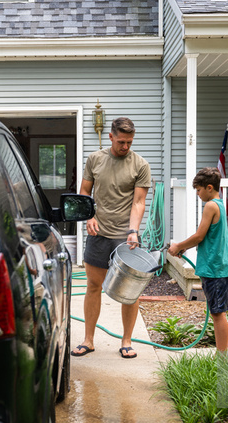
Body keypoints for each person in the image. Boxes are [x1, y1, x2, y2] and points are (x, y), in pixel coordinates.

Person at [71, 117, 151, 359]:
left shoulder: (140, 165)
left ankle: (126, 341)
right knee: (93, 286)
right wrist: (89, 216)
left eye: (129, 142)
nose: (125, 146)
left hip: (125, 238)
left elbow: (138, 202)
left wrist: (133, 231)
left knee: (130, 291)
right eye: (121, 142)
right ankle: (88, 340)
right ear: (111, 137)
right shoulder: (95, 159)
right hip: (99, 233)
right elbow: (84, 192)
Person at [168, 167, 228, 354]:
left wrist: (179, 246)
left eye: (199, 189)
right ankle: (222, 356)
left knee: (218, 314)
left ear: (209, 187)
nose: (197, 194)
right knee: (217, 312)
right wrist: (184, 248)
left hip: (215, 267)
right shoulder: (219, 204)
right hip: (216, 266)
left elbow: (199, 236)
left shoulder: (211, 205)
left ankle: (223, 359)